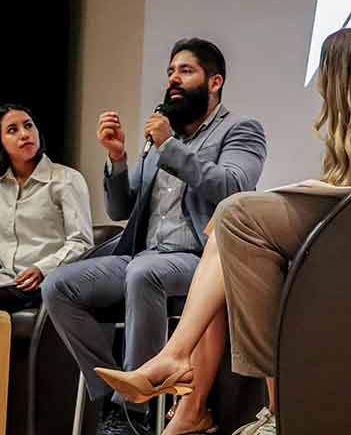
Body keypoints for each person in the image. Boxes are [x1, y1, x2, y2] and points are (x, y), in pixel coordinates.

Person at [96, 28, 351, 435]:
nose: (317, 79)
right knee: (225, 235)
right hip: (328, 246)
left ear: (342, 71)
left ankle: (185, 369)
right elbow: (122, 205)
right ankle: (202, 391)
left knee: (231, 214)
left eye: (323, 67)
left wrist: (314, 189)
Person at [42, 38, 267, 432]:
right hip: (142, 254)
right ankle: (117, 402)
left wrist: (169, 146)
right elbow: (122, 209)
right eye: (170, 72)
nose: (173, 80)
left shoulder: (240, 130)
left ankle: (134, 418)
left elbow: (233, 189)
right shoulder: (163, 135)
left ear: (214, 82)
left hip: (199, 259)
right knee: (58, 286)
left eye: (185, 71)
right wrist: (117, 158)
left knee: (144, 274)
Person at [0, 104, 93, 313]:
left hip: (46, 281)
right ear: (0, 142)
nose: (24, 134)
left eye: (29, 126)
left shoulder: (66, 179)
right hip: (5, 279)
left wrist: (42, 269)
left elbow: (81, 242)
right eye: (13, 130)